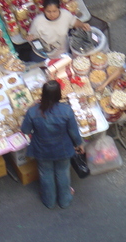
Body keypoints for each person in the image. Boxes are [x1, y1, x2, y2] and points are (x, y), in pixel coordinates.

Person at [21, 80, 84, 209]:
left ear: (43, 94)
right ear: (58, 95)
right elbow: (73, 131)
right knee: (62, 173)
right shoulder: (66, 110)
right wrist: (79, 144)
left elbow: (25, 130)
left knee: (46, 174)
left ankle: (49, 201)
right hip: (63, 149)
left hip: (42, 150)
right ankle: (65, 200)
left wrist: (31, 106)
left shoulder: (33, 111)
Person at [27, 0, 91, 60]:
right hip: (48, 54)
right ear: (44, 10)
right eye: (48, 11)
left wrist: (82, 25)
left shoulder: (65, 14)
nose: (52, 14)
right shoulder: (38, 22)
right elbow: (33, 38)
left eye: (55, 11)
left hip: (65, 49)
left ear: (59, 9)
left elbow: (74, 22)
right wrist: (31, 38)